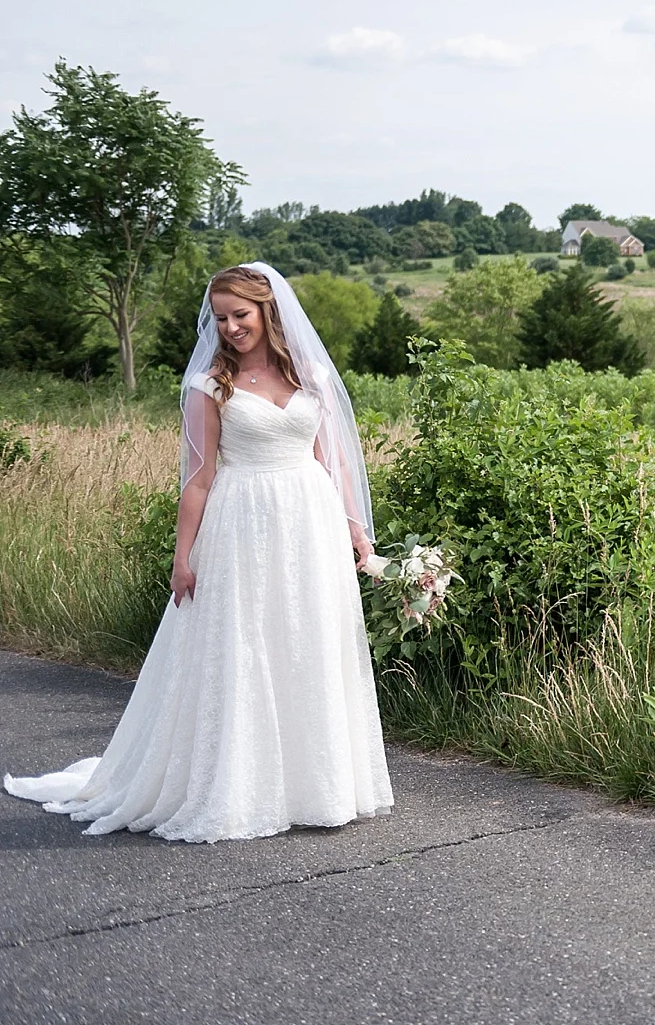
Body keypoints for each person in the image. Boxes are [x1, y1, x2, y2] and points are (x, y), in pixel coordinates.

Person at [4, 263, 393, 842]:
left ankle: (317, 784)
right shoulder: (210, 385)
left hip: (308, 520)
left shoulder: (309, 374)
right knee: (244, 643)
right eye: (221, 318)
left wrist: (356, 532)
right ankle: (238, 784)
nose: (231, 327)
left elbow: (331, 461)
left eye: (242, 314)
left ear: (267, 311)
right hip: (242, 522)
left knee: (306, 639)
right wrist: (183, 556)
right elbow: (198, 480)